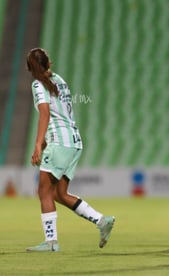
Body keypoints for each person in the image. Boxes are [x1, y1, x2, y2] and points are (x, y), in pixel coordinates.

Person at [26, 48, 115, 252]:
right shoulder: (59, 80)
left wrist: (39, 144)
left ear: (31, 68)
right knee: (59, 193)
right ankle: (102, 221)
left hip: (60, 142)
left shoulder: (38, 84)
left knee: (44, 191)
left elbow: (45, 115)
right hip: (74, 141)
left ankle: (51, 243)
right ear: (49, 63)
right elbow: (60, 113)